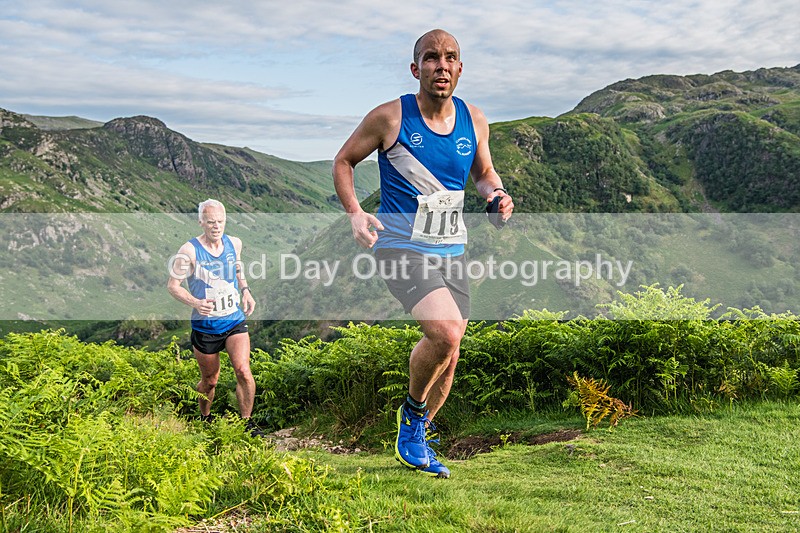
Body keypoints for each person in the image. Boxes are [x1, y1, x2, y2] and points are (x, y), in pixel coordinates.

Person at [332, 29, 514, 478]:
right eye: (431, 57)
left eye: (450, 57)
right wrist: (355, 213)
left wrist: (497, 195)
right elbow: (343, 161)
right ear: (416, 69)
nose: (441, 65)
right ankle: (411, 418)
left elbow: (484, 173)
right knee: (446, 333)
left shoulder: (474, 119)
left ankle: (417, 439)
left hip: (451, 247)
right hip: (399, 245)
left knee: (450, 355)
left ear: (460, 68)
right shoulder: (390, 117)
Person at [167, 199, 263, 437]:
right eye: (211, 222)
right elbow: (173, 286)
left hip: (233, 320)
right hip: (206, 326)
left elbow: (237, 268)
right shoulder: (189, 251)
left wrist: (245, 290)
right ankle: (205, 417)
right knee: (210, 380)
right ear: (201, 222)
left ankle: (247, 424)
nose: (216, 226)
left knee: (243, 370)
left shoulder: (234, 243)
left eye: (220, 221)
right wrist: (196, 302)